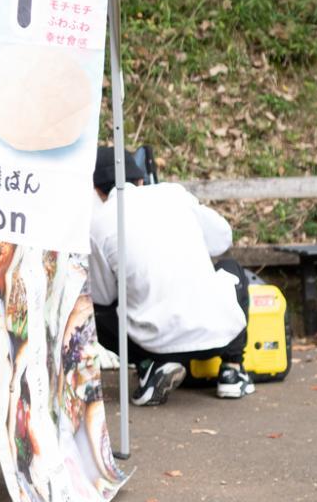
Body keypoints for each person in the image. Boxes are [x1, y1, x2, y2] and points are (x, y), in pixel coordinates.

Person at [86, 147, 251, 404]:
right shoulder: (173, 194)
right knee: (231, 267)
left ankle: (150, 364)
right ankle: (232, 369)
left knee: (96, 309)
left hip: (154, 342)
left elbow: (105, 297)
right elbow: (222, 240)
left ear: (96, 190)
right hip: (218, 337)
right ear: (140, 180)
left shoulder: (97, 225)